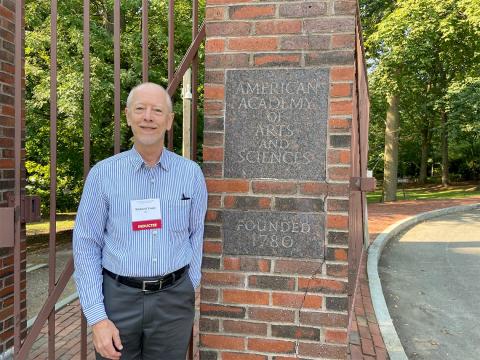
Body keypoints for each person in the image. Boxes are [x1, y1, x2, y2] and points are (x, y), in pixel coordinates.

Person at [73, 82, 207, 359]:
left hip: (173, 300)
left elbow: (197, 234)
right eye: (141, 109)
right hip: (118, 300)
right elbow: (86, 245)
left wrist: (189, 284)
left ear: (169, 121)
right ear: (128, 116)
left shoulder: (191, 174)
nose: (148, 116)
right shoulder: (103, 175)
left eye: (157, 110)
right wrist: (97, 318)